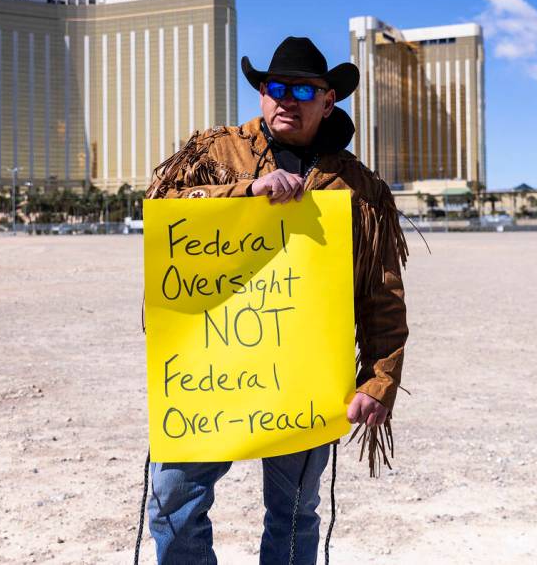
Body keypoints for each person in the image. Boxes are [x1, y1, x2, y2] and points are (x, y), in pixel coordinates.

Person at [143, 37, 408, 564]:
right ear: (263, 94)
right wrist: (245, 193)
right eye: (277, 87)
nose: (289, 99)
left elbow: (383, 294)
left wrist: (380, 379)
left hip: (304, 377)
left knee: (292, 515)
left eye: (305, 90)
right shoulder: (214, 152)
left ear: (329, 100)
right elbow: (161, 207)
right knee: (173, 501)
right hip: (208, 371)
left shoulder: (359, 186)